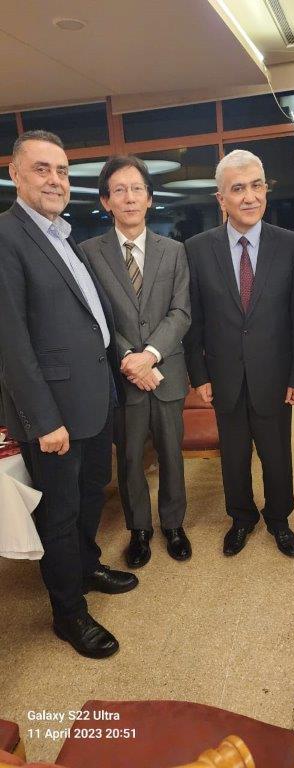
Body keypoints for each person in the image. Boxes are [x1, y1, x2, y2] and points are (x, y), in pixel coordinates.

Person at [0, 130, 138, 658]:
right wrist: (42, 420)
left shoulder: (63, 236)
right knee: (58, 515)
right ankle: (68, 613)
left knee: (90, 495)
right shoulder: (8, 236)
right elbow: (11, 343)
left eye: (61, 170)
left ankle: (86, 566)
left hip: (95, 399)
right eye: (42, 169)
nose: (55, 180)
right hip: (54, 414)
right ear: (16, 174)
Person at [183, 149, 294, 557]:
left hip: (275, 376)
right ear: (221, 199)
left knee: (277, 455)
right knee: (234, 457)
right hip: (224, 377)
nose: (250, 196)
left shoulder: (292, 245)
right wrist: (199, 375)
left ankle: (279, 519)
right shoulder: (197, 249)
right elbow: (193, 321)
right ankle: (241, 517)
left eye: (257, 186)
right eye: (238, 189)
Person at [81, 156, 192, 568]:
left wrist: (150, 355)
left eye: (137, 189)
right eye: (119, 190)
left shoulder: (174, 251)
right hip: (122, 374)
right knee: (129, 459)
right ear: (106, 201)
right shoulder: (88, 254)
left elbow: (181, 311)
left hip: (166, 372)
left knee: (171, 455)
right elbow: (95, 317)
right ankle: (139, 530)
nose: (129, 198)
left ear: (149, 198)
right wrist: (128, 357)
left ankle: (174, 525)